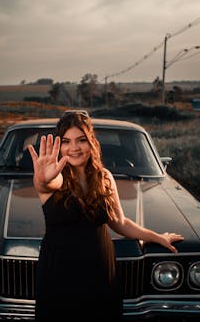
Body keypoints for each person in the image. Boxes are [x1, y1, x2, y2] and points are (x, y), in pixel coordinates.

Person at [28, 110, 184, 322]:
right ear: (60, 146)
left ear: (91, 141)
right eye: (66, 141)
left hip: (99, 269)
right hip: (60, 272)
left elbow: (119, 222)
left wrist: (158, 237)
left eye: (81, 140)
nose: (73, 148)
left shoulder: (104, 178)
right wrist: (42, 179)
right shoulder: (55, 178)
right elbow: (45, 184)